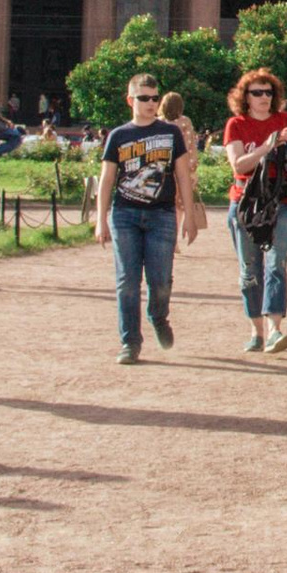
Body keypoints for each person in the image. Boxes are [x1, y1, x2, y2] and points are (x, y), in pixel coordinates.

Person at [93, 67, 200, 365]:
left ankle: (158, 316)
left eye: (154, 98)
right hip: (125, 215)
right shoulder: (119, 136)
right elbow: (106, 180)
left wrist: (189, 216)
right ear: (130, 101)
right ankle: (130, 343)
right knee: (127, 281)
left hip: (162, 215)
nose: (151, 104)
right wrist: (100, 219)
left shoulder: (170, 133)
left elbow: (181, 175)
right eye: (144, 98)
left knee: (161, 279)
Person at [224, 67, 287, 355]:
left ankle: (274, 330)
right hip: (246, 203)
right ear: (245, 97)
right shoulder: (235, 124)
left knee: (276, 265)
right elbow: (239, 165)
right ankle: (256, 331)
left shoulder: (284, 119)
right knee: (250, 271)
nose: (264, 97)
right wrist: (268, 144)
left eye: (268, 92)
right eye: (257, 92)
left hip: (282, 201)